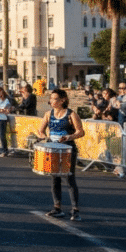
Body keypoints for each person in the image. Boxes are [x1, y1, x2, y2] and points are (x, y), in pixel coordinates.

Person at [38, 89, 85, 221]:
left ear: (63, 100)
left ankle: (75, 210)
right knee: (55, 179)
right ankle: (57, 207)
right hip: (53, 149)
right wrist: (44, 137)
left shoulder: (71, 114)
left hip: (67, 150)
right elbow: (40, 131)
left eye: (54, 99)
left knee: (69, 179)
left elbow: (81, 132)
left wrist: (69, 136)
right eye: (51, 99)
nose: (51, 102)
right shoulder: (48, 114)